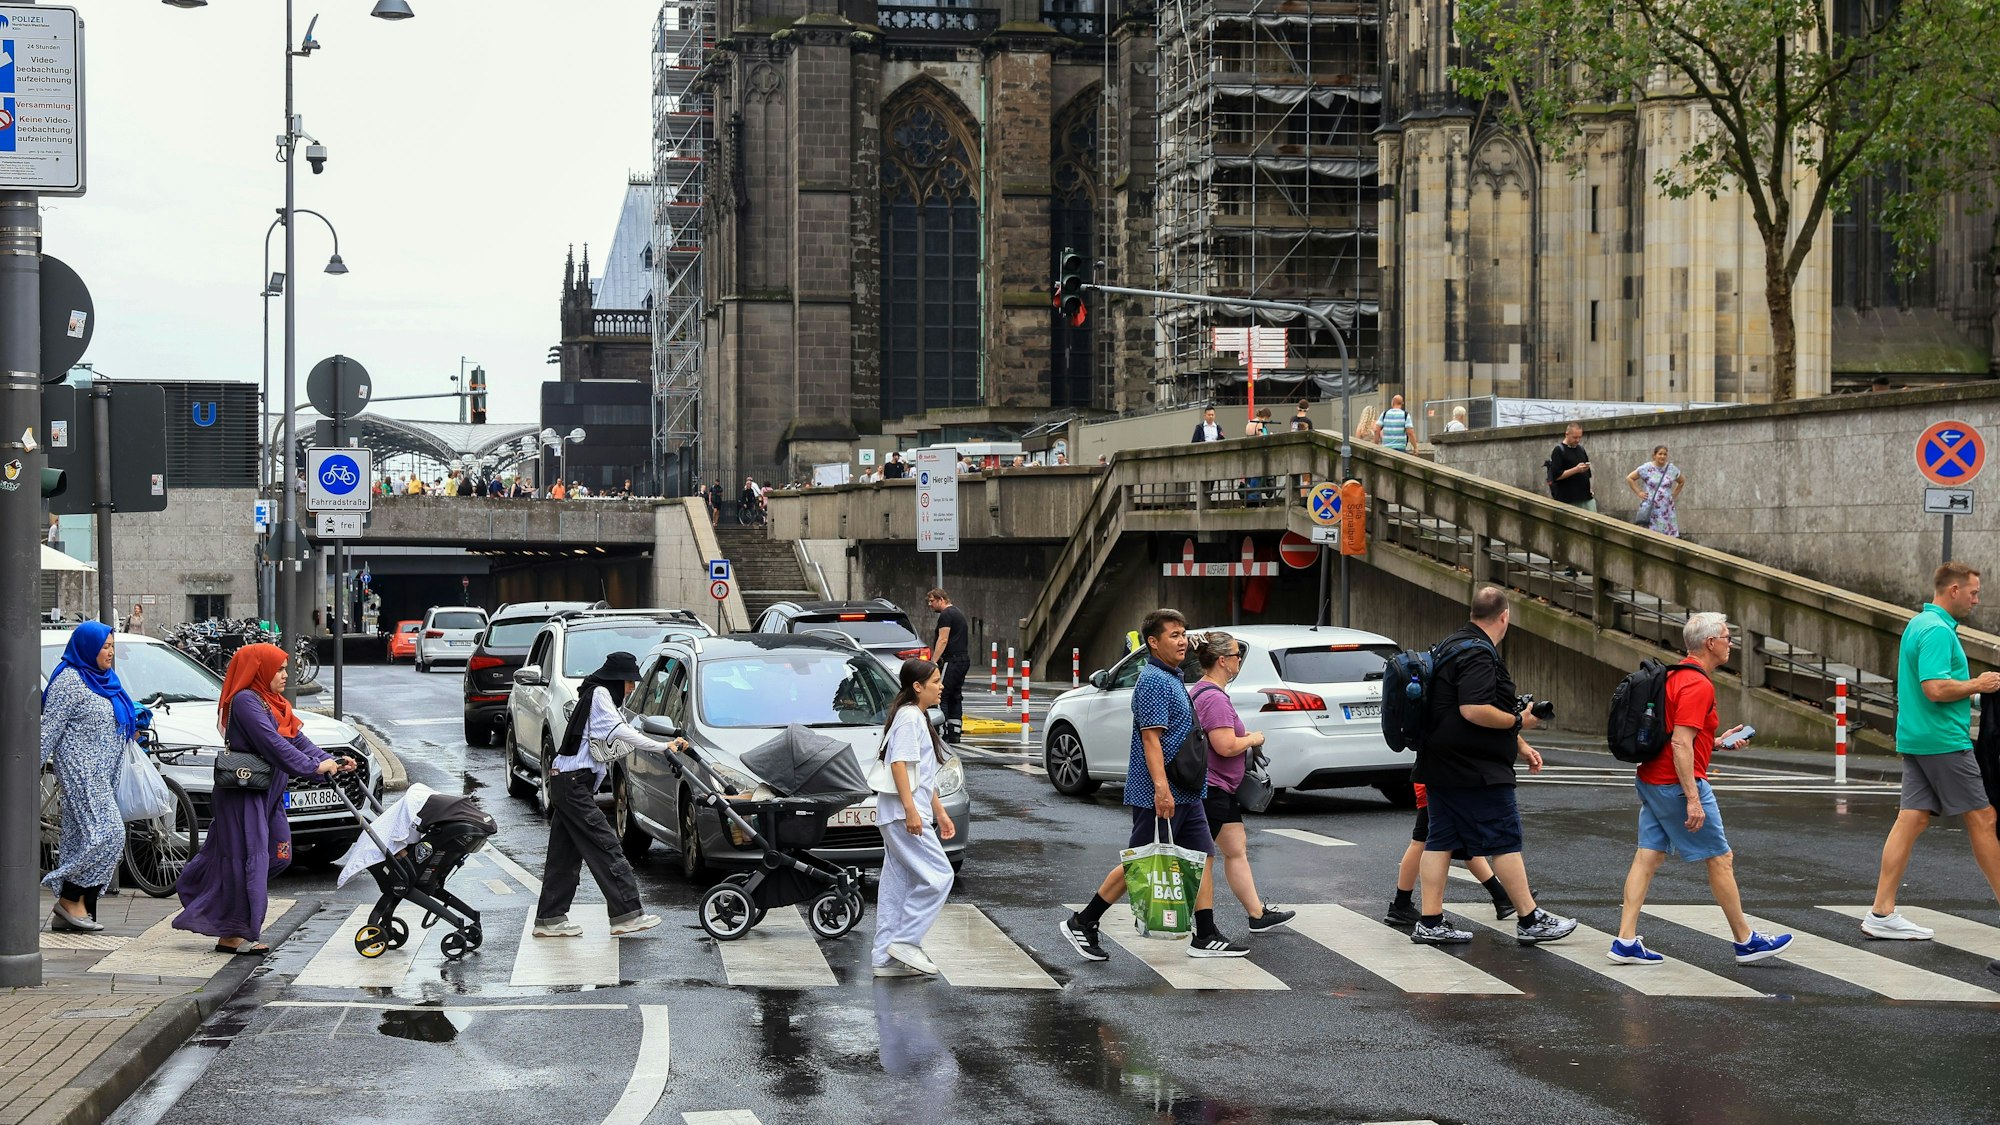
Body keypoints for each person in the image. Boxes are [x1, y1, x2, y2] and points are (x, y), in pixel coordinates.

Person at [1061, 609, 1250, 961]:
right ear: (1152, 642)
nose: (1182, 640)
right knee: (1141, 863)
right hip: (1160, 791)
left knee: (1201, 855)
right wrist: (1161, 789)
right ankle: (1083, 921)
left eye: (1184, 633)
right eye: (1174, 635)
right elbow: (1152, 741)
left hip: (1188, 790)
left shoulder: (1173, 674)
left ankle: (1206, 934)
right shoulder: (1152, 681)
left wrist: (1196, 641)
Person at [1608, 613, 1793, 965]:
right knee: (1720, 858)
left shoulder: (1675, 676)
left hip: (1651, 778)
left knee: (1648, 856)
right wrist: (1693, 798)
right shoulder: (1698, 684)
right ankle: (1746, 941)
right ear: (1711, 643)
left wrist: (1717, 742)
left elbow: (1680, 734)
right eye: (1726, 636)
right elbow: (1680, 743)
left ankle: (1625, 941)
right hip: (1676, 784)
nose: (1730, 643)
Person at [1409, 586, 1577, 945]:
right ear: (1505, 616)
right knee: (1503, 838)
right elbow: (1474, 710)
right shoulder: (1479, 655)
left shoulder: (1451, 644)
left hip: (1440, 762)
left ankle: (1430, 920)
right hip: (1475, 768)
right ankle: (1530, 919)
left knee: (1439, 840)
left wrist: (1517, 739)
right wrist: (1520, 722)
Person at [174, 643, 353, 954]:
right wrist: (313, 767)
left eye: (285, 668)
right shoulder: (245, 701)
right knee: (248, 861)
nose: (285, 674)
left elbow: (296, 739)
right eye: (279, 669)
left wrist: (331, 761)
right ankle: (233, 932)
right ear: (260, 670)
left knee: (277, 855)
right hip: (243, 794)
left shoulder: (275, 703)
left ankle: (209, 897)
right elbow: (272, 744)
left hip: (268, 793)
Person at [1861, 562, 2000, 941]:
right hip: (1943, 740)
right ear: (1952, 590)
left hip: (1918, 737)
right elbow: (1935, 688)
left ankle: (1881, 911)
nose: (1977, 600)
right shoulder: (1938, 631)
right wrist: (1979, 684)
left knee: (1912, 819)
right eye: (1973, 593)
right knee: (1984, 819)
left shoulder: (1918, 624)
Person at [534, 652, 671, 939]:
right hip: (572, 784)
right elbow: (620, 731)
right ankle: (626, 914)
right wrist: (663, 747)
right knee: (605, 845)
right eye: (629, 681)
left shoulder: (597, 693)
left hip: (568, 782)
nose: (632, 688)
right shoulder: (599, 694)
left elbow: (616, 733)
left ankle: (550, 918)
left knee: (563, 855)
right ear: (617, 679)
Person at [41, 621, 147, 931]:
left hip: (106, 771)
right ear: (87, 648)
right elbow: (48, 731)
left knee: (79, 840)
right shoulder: (69, 681)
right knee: (110, 833)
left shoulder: (106, 679)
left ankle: (77, 911)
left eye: (113, 646)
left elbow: (115, 716)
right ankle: (68, 898)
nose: (111, 652)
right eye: (105, 646)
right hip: (81, 772)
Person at [1189, 632, 1295, 934]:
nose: (1239, 660)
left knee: (1235, 848)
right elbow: (1224, 745)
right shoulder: (1213, 697)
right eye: (1236, 655)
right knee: (1201, 858)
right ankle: (1202, 928)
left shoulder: (1206, 691)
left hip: (1221, 786)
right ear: (1222, 661)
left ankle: (1257, 913)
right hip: (1213, 788)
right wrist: (1253, 738)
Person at [872, 659, 959, 977]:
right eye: (936, 681)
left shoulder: (914, 716)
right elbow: (899, 765)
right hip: (902, 814)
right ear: (917, 687)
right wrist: (912, 811)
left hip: (901, 812)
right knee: (940, 876)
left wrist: (939, 811)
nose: (941, 686)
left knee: (898, 886)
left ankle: (884, 958)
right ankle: (906, 941)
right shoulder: (910, 717)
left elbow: (919, 773)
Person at [1385, 781, 1514, 925]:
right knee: (1422, 842)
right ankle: (1402, 905)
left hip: (1439, 783)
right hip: (1440, 784)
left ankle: (1502, 897)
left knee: (1463, 843)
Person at [926, 588, 970, 742]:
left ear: (941, 599)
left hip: (952, 660)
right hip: (963, 660)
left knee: (941, 694)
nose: (930, 605)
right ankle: (954, 732)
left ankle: (940, 732)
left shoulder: (946, 615)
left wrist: (934, 661)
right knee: (955, 696)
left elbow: (943, 639)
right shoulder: (957, 613)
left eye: (932, 601)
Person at [1626, 445, 1685, 537]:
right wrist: (1639, 492)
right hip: (1651, 507)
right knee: (1651, 534)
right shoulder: (1646, 468)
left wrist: (1673, 495)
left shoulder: (1671, 469)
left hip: (1666, 508)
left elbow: (1681, 481)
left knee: (1667, 534)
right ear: (1654, 455)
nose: (1663, 456)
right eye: (1660, 454)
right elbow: (1630, 478)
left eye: (1665, 454)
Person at [1545, 422, 1595, 511]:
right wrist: (1576, 470)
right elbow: (1556, 476)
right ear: (1567, 434)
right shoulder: (1559, 450)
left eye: (1580, 437)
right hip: (1569, 500)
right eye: (1575, 437)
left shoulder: (1581, 449)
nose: (1577, 440)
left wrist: (1589, 488)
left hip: (1586, 497)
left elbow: (1588, 474)